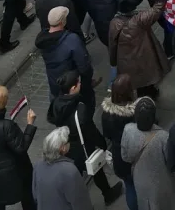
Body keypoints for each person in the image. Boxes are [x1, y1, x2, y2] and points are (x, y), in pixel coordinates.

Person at [49, 71, 123, 205]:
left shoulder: (56, 104)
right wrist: (101, 143)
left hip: (67, 145)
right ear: (73, 88)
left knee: (75, 173)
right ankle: (107, 194)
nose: (80, 85)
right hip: (83, 146)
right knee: (96, 169)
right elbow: (90, 130)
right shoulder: (80, 108)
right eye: (79, 83)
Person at [108, 0, 169, 97]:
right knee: (147, 81)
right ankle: (151, 95)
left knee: (138, 85)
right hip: (145, 57)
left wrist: (113, 62)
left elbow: (112, 45)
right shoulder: (140, 20)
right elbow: (158, 7)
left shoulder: (114, 23)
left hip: (126, 61)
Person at [121, 97, 175, 210]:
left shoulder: (128, 130)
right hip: (161, 182)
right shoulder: (163, 137)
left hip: (140, 180)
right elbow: (171, 162)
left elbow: (125, 157)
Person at [35, 6, 95, 110]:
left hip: (54, 86)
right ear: (63, 21)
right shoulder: (71, 40)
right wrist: (86, 85)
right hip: (72, 87)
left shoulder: (42, 40)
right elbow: (84, 67)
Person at [32, 126, 94, 210]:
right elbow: (80, 201)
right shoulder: (69, 171)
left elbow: (35, 195)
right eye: (68, 141)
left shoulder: (38, 166)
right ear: (63, 148)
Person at [101, 75, 139, 210]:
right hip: (136, 156)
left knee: (129, 186)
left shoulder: (106, 113)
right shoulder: (134, 113)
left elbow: (107, 135)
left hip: (119, 157)